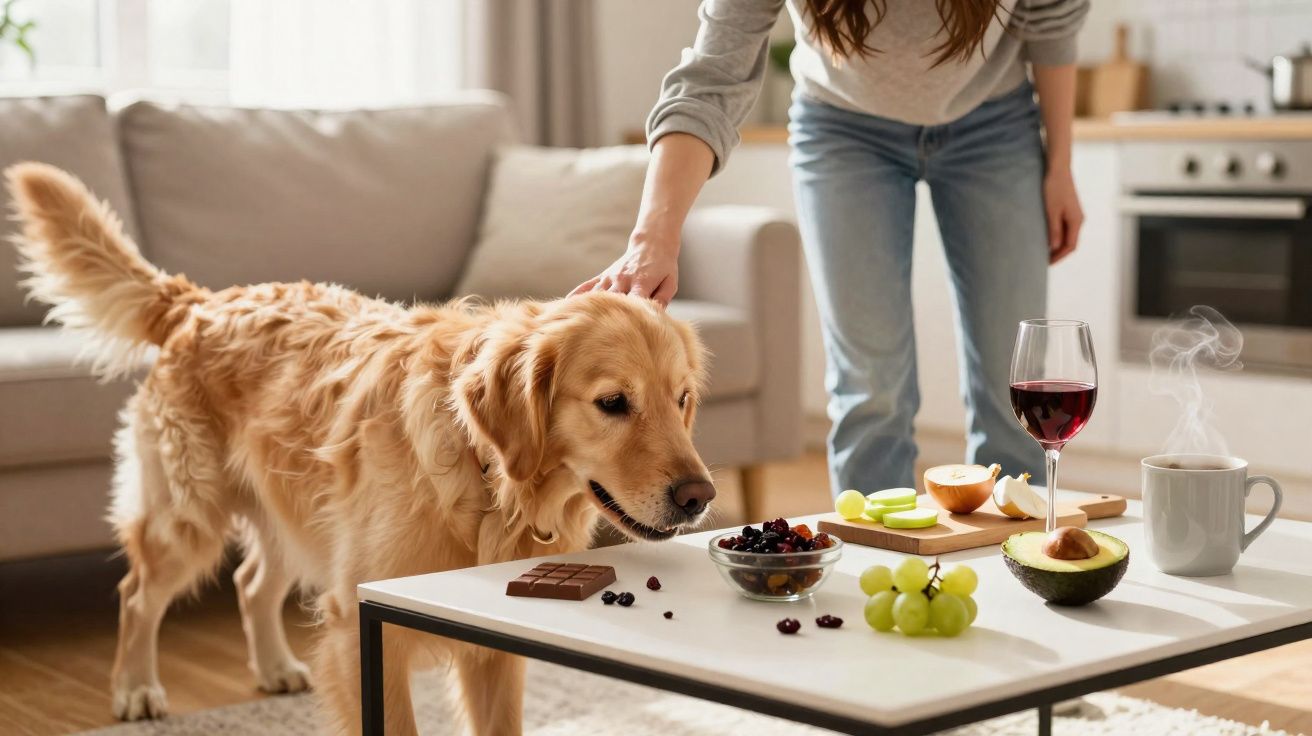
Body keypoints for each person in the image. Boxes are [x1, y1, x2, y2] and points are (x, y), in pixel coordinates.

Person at [572, 0, 1088, 494]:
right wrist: (653, 237)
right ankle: (877, 569)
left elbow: (1051, 21)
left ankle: (1020, 561)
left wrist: (1060, 165)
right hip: (844, 127)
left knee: (1014, 385)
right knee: (871, 387)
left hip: (994, 121)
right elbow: (712, 77)